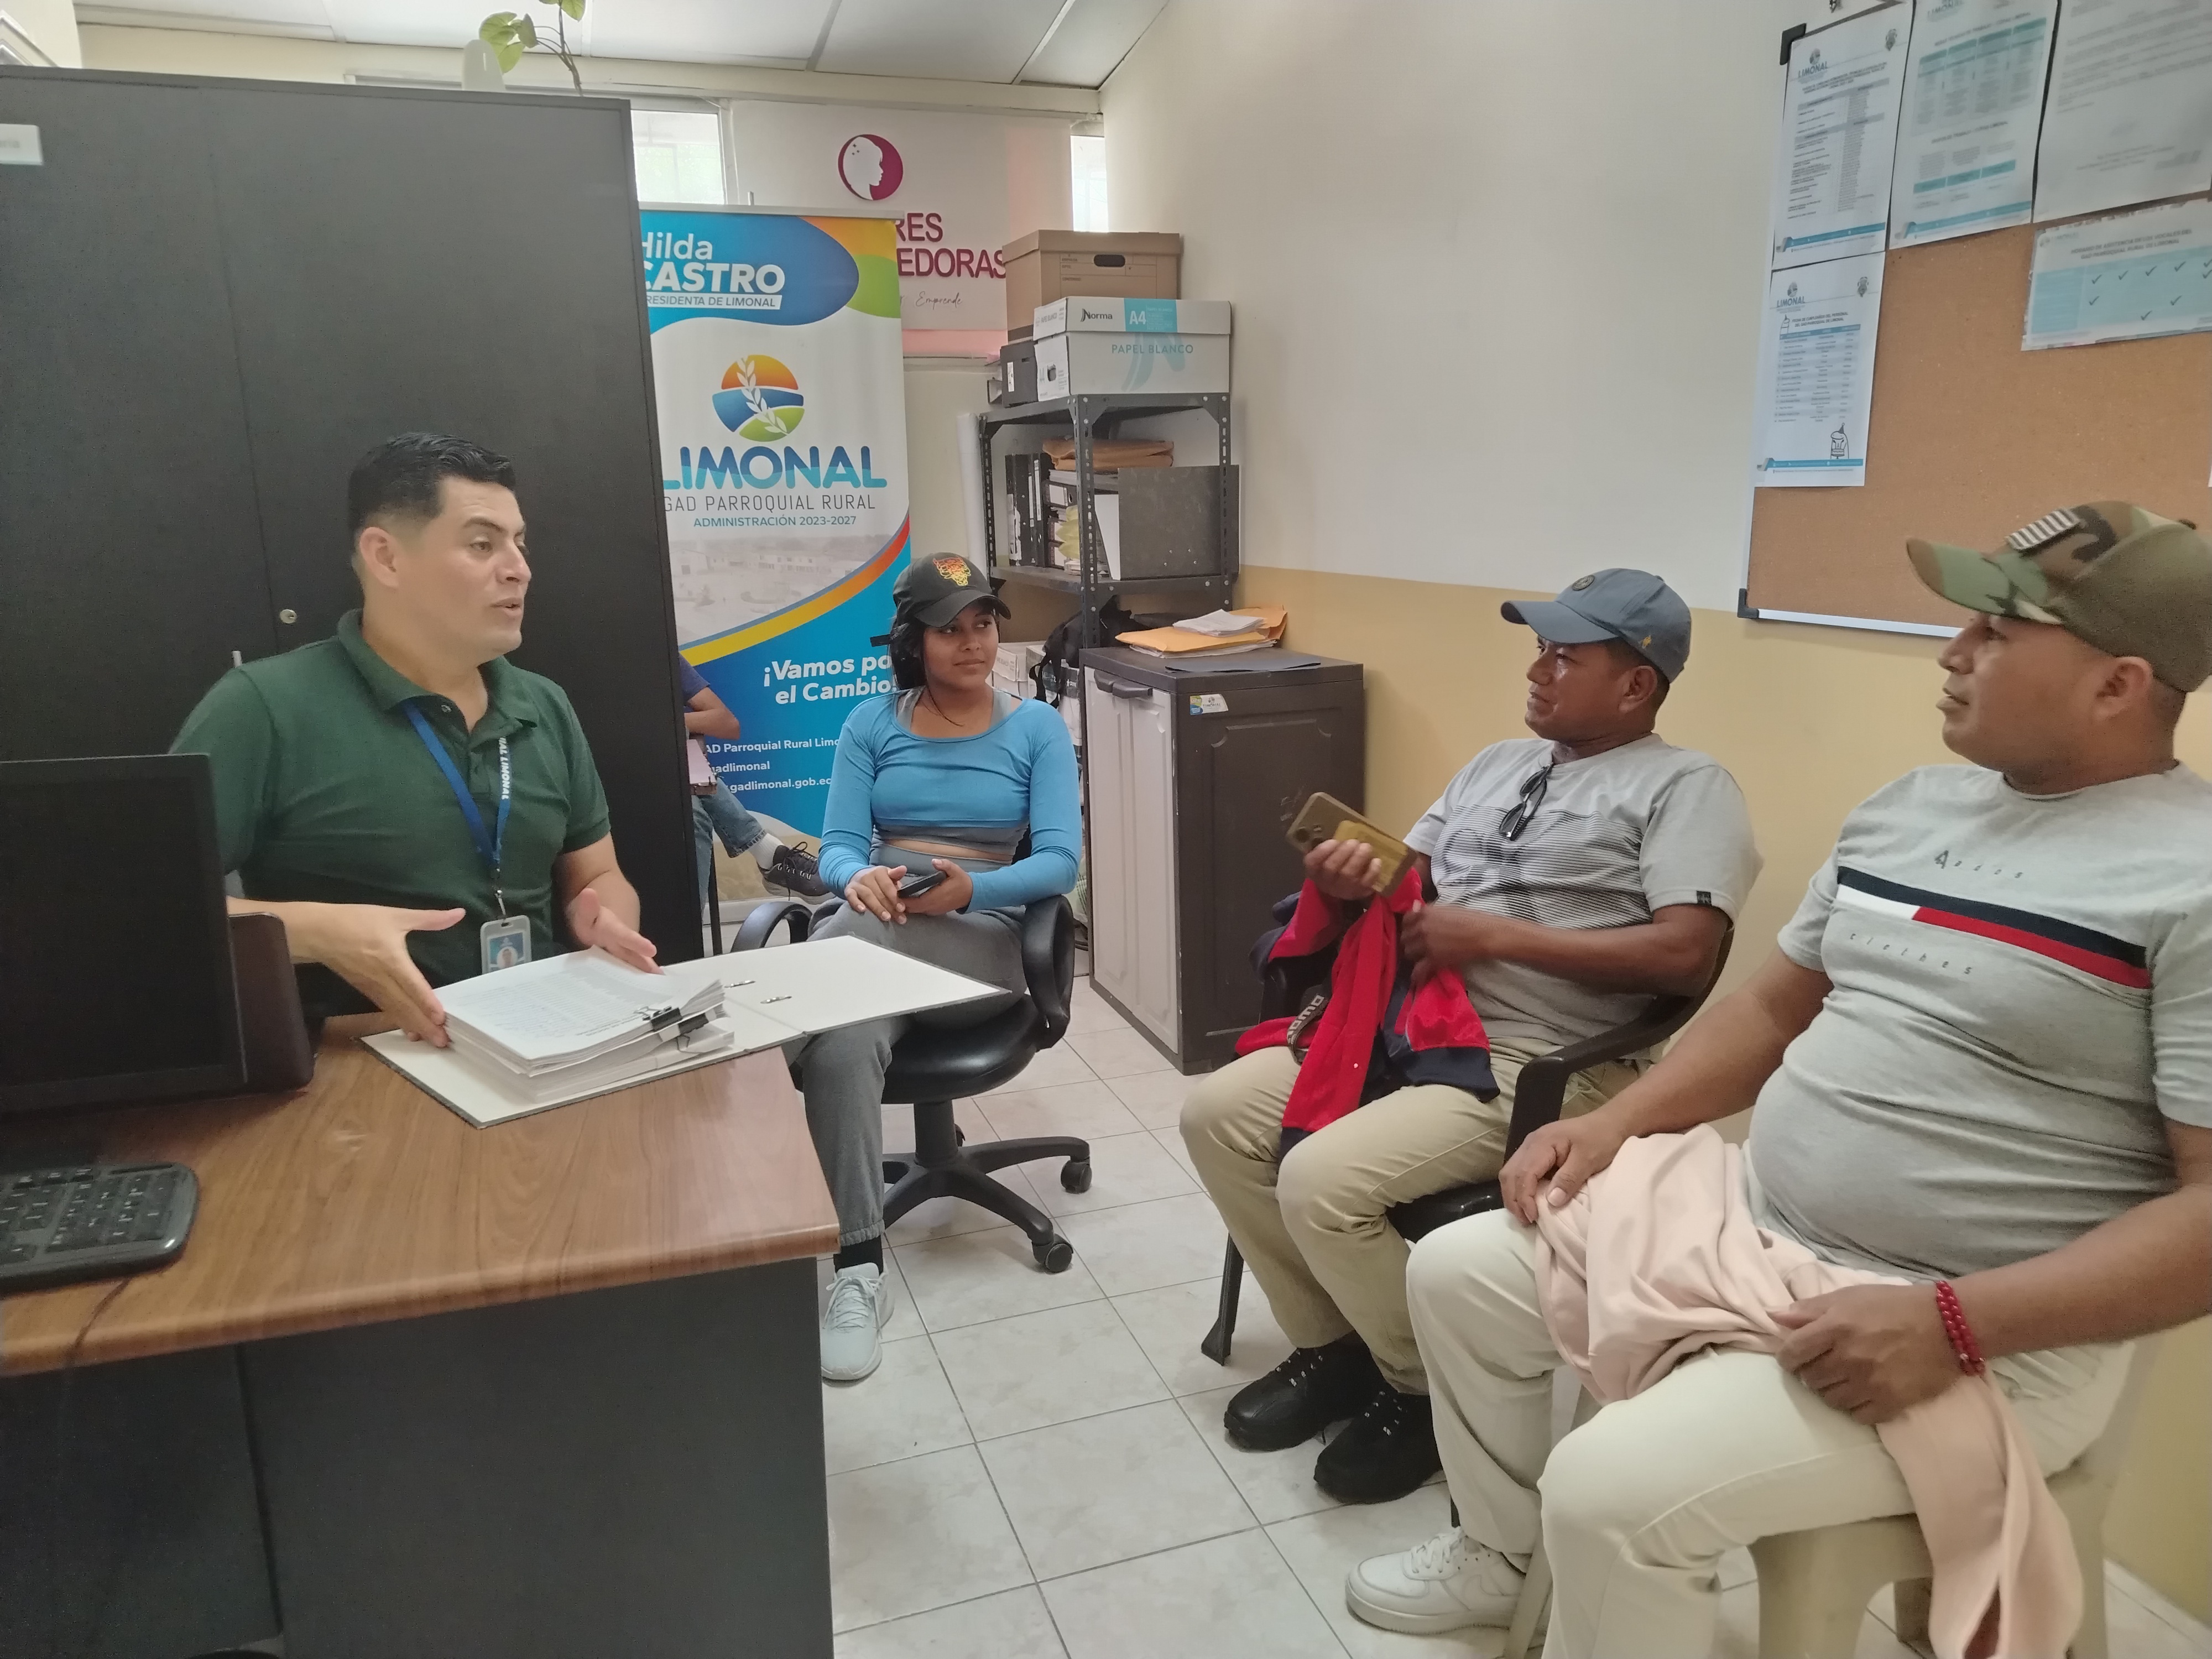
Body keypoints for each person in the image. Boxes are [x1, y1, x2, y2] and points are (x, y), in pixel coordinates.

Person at [1349, 503, 2212, 1656]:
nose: (1952, 655)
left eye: (1996, 634)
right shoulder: (1907, 809)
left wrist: (1955, 1322)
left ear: (2117, 684)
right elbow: (1767, 1009)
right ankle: (1496, 1558)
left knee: (1611, 1492)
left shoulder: (2188, 877)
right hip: (1751, 1231)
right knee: (1458, 1271)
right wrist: (1614, 1129)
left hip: (1973, 1324)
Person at [1180, 569, 1760, 1504]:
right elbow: (1409, 881)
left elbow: (1685, 955)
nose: (1537, 670)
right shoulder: (1495, 764)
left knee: (1322, 1182)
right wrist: (1348, 879)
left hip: (1541, 1067)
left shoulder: (1687, 789)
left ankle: (1419, 1390)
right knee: (1215, 1115)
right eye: (1540, 650)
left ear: (1637, 685)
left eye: (1566, 658)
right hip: (1413, 1034)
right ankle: (1338, 1347)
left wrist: (1496, 938)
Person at [172, 432, 658, 1044]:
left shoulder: (543, 704)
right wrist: (317, 932)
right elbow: (151, 911)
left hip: (542, 1039)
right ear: (387, 558)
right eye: (482, 544)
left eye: (520, 543)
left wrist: (605, 920)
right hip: (358, 1056)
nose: (519, 569)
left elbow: (597, 874)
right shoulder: (264, 706)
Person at [801, 554, 1079, 1382]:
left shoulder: (1035, 729)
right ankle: (859, 1270)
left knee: (839, 961)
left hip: (981, 942)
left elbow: (1059, 863)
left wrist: (971, 890)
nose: (972, 643)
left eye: (983, 625)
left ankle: (756, 1043)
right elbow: (838, 846)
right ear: (912, 642)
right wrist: (855, 878)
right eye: (949, 629)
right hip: (877, 932)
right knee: (844, 1035)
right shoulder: (870, 724)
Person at [676, 655, 830, 902]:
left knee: (693, 792)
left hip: (672, 772)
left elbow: (726, 723)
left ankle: (769, 853)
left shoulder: (660, 654)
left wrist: (665, 723)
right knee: (693, 813)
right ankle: (769, 854)